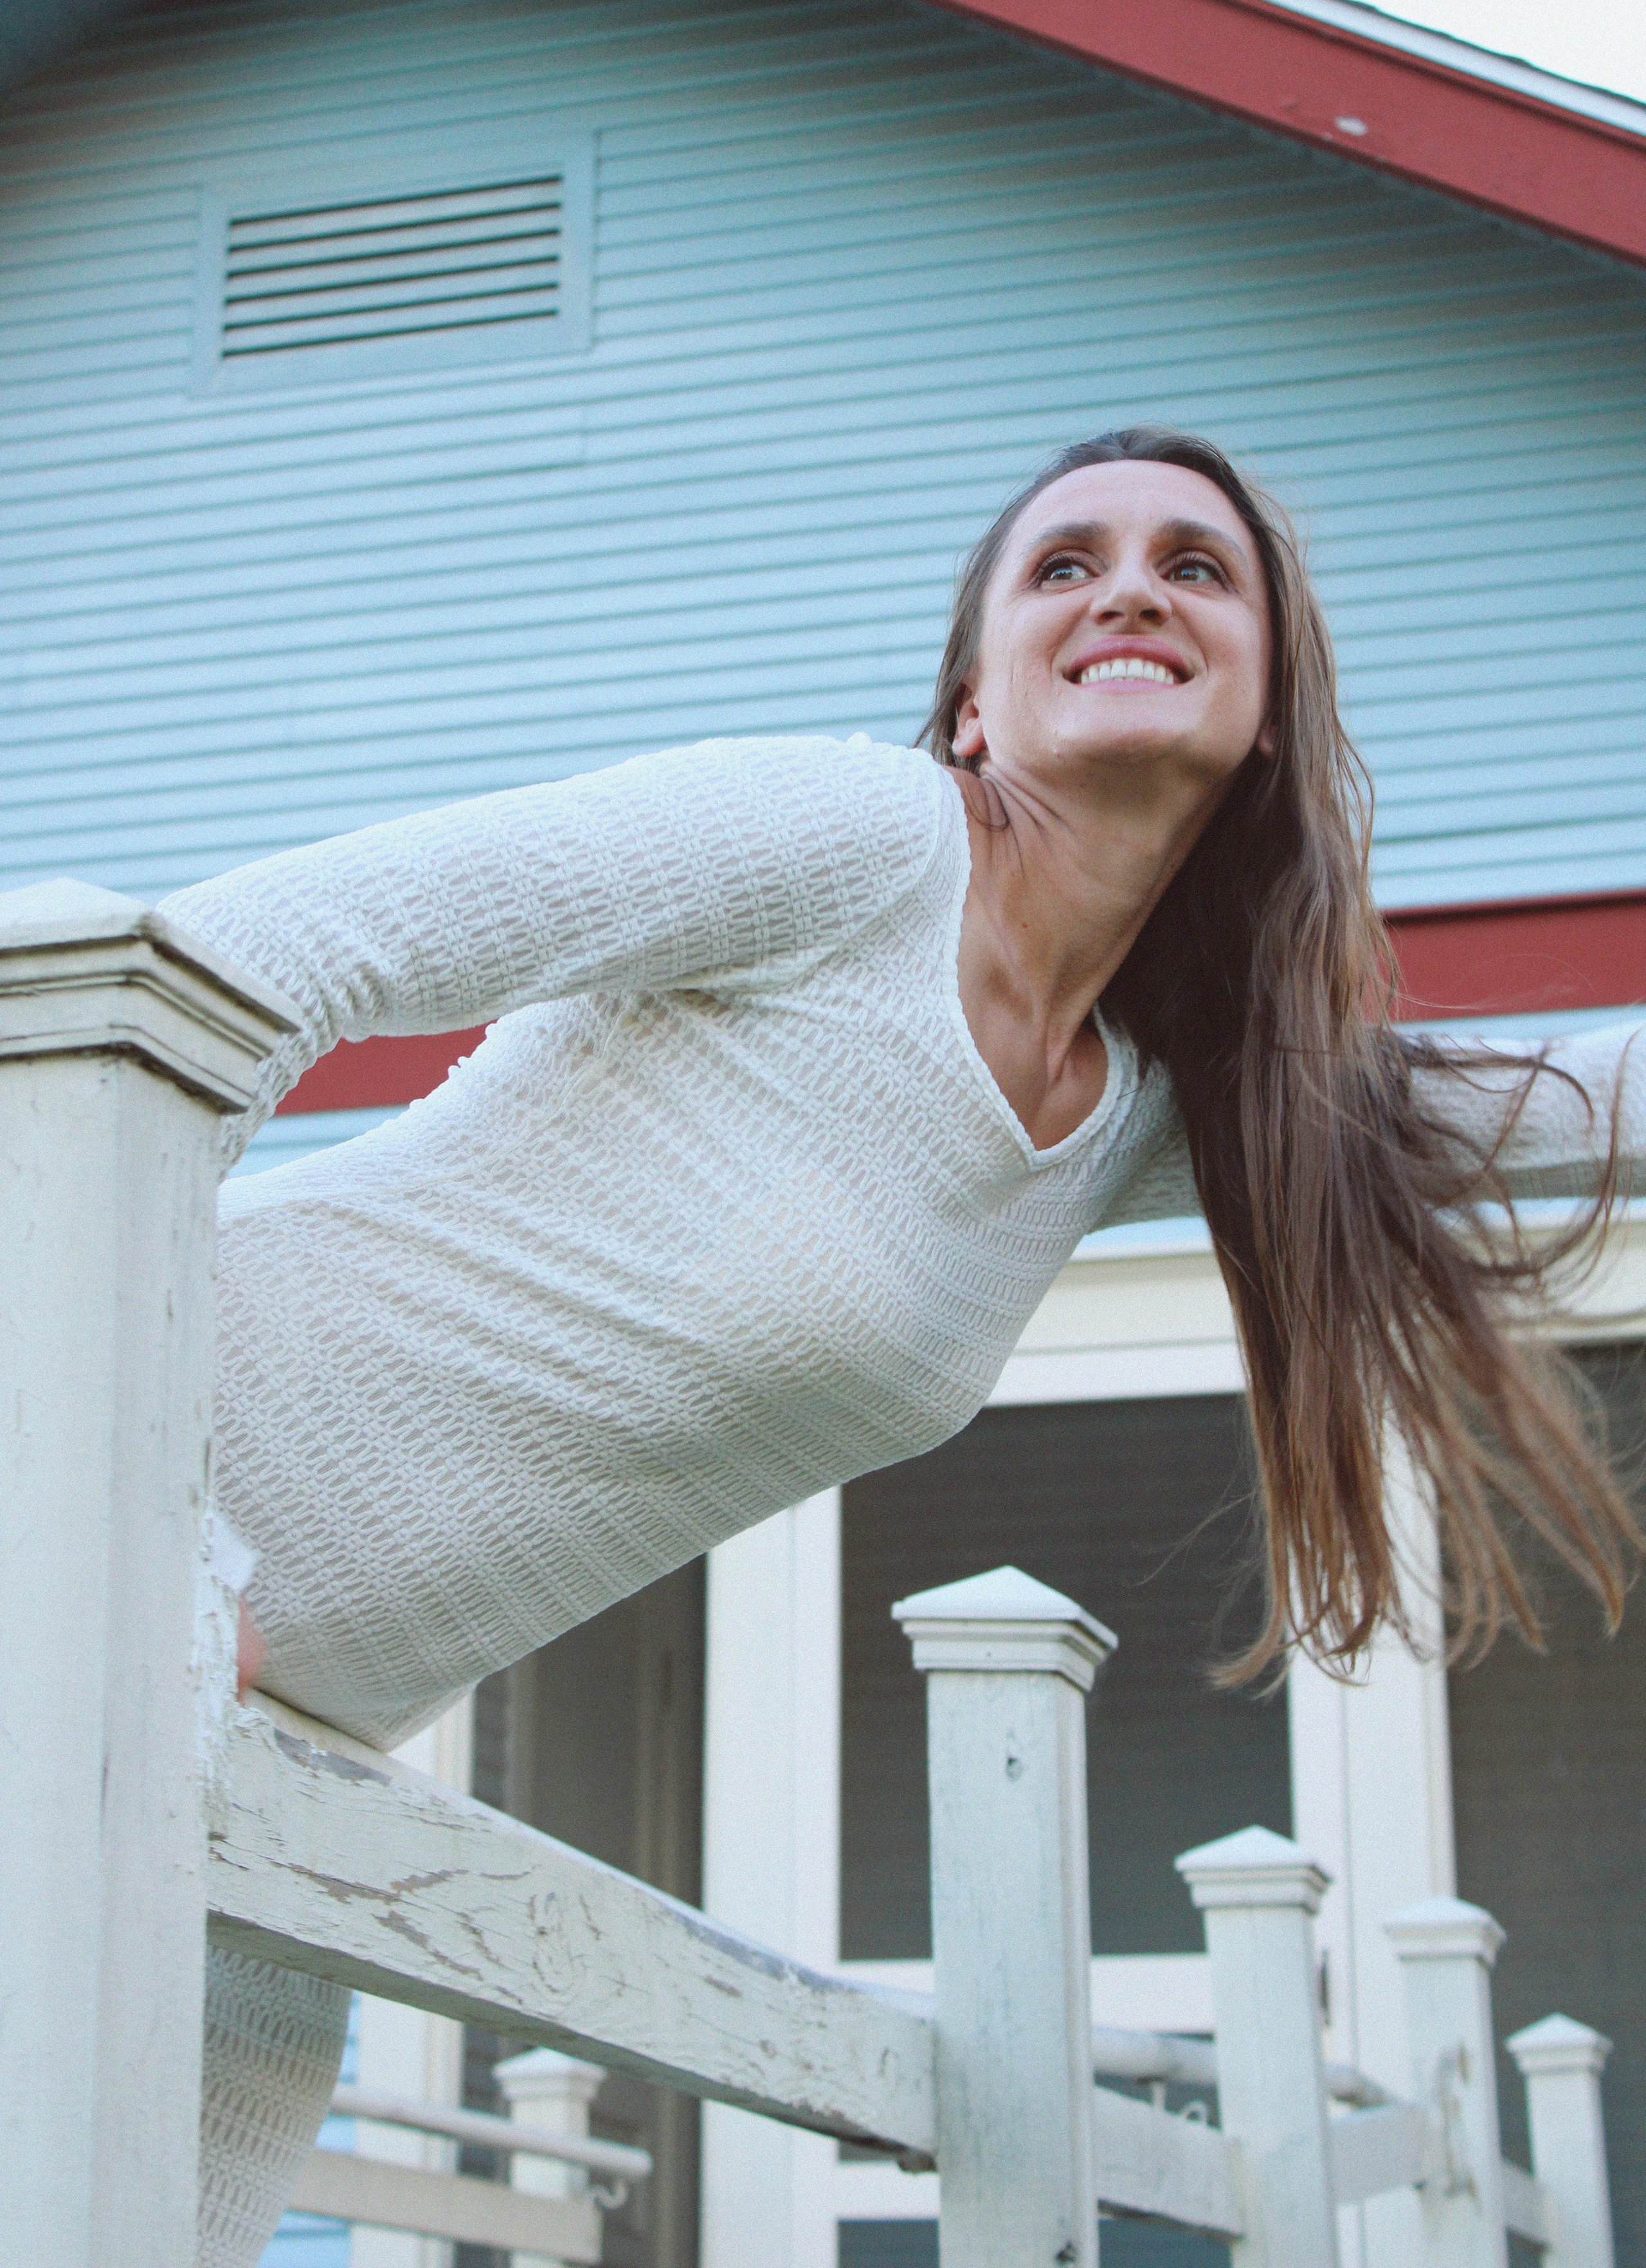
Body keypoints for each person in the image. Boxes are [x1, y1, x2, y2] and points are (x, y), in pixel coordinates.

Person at [167, 426, 1641, 2264]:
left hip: (278, 1748)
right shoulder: (846, 837)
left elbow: (1562, 1108)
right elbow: (224, 969)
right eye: (1065, 563)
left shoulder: (1149, 1106)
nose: (1130, 587)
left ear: (1268, 710)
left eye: (1199, 567)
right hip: (109, 1542)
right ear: (970, 707)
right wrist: (131, 1537)